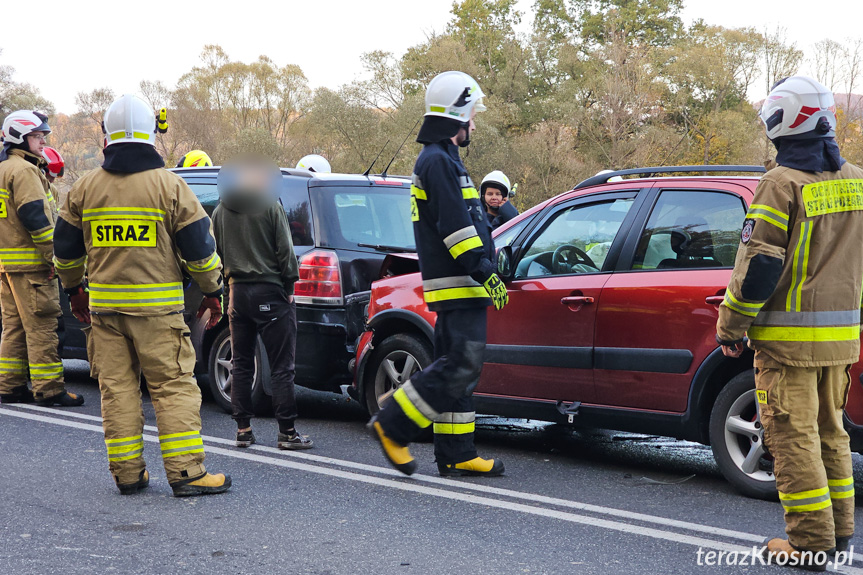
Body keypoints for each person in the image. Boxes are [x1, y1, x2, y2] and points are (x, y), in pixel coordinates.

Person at [717, 76, 862, 571]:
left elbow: (758, 268)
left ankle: (808, 544)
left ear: (783, 120)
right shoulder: (856, 179)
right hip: (840, 343)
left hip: (787, 345)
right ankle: (839, 533)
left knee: (792, 437)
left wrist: (730, 327)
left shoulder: (782, 183)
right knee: (830, 435)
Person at [53, 94, 231, 497]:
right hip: (158, 316)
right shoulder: (171, 187)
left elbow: (64, 252)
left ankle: (128, 475)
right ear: (153, 134)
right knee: (172, 389)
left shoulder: (84, 189)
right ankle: (187, 474)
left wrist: (73, 291)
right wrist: (212, 292)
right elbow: (201, 254)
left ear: (106, 136)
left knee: (117, 391)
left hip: (105, 313)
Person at [369, 71, 508, 477]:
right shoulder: (438, 161)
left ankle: (456, 451)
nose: (474, 123)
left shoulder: (442, 159)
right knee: (461, 364)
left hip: (459, 284)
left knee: (458, 366)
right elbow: (456, 229)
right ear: (458, 113)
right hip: (461, 283)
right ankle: (392, 425)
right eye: (472, 114)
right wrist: (485, 271)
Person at [211, 157, 312, 450]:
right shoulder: (270, 205)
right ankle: (287, 433)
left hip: (237, 294)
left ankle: (243, 430)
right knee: (281, 367)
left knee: (241, 364)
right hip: (271, 294)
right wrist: (289, 287)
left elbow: (216, 255)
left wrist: (225, 293)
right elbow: (285, 251)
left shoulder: (219, 211)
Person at [0, 111, 83, 407]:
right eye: (36, 137)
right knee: (42, 327)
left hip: (8, 265)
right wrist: (56, 260)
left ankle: (9, 386)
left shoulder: (3, 168)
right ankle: (49, 389)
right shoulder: (23, 171)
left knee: (14, 326)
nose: (42, 141)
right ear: (19, 138)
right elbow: (36, 220)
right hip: (33, 266)